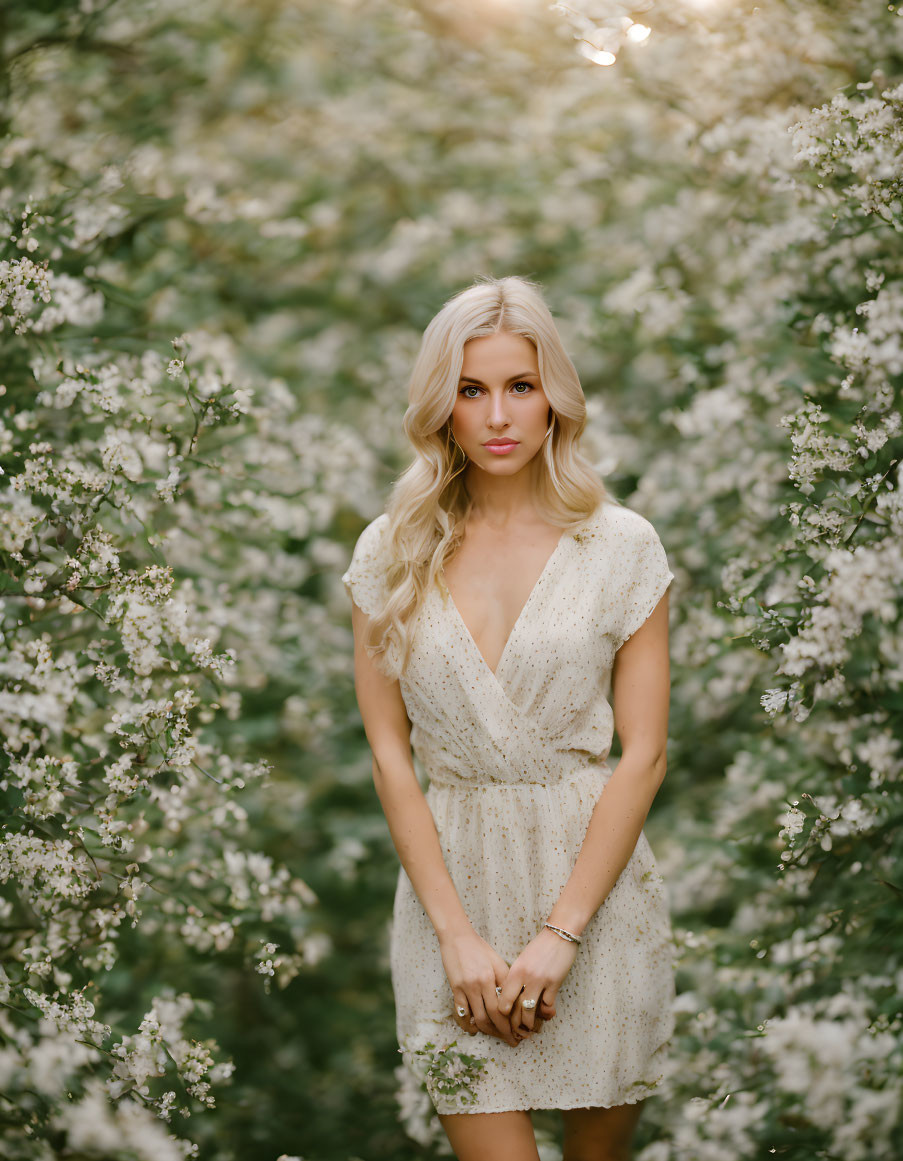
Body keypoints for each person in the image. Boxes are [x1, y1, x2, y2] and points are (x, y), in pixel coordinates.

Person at [342, 274, 676, 1161]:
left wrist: (559, 937)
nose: (497, 414)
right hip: (452, 906)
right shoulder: (392, 550)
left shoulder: (621, 546)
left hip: (593, 901)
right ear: (439, 405)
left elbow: (642, 754)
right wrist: (456, 937)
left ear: (553, 400)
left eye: (519, 387)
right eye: (470, 388)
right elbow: (388, 753)